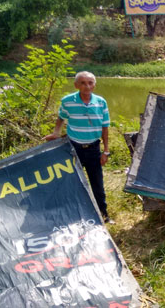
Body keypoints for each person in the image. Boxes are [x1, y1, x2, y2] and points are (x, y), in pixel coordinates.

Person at [44, 71, 114, 224]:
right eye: (82, 83)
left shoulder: (101, 102)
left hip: (94, 149)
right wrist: (56, 132)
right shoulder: (68, 101)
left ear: (94, 85)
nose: (86, 86)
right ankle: (71, 214)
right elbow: (61, 117)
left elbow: (105, 127)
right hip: (73, 147)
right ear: (76, 85)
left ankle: (103, 214)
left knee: (97, 183)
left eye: (90, 83)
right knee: (71, 181)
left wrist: (106, 151)